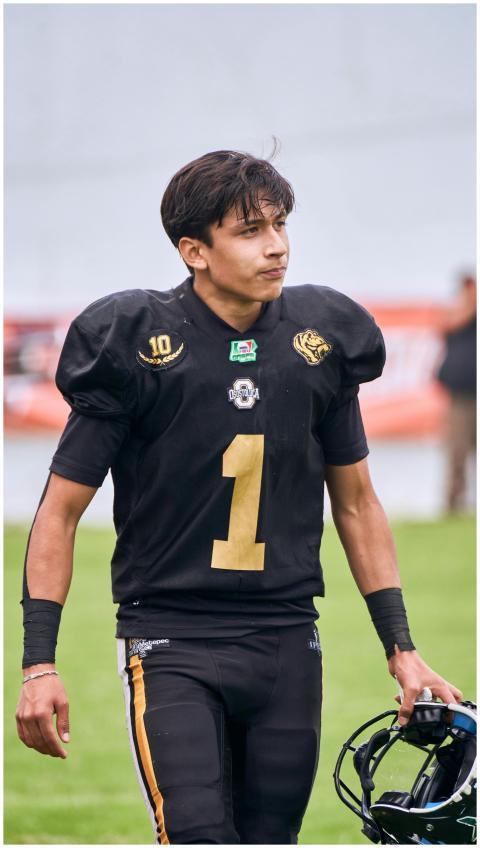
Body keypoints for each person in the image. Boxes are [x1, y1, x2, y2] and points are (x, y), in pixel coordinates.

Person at [16, 150, 463, 845]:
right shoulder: (137, 344)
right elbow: (60, 511)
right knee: (196, 836)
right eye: (250, 230)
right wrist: (39, 662)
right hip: (171, 641)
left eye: (280, 223)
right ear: (194, 250)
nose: (277, 244)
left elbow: (357, 504)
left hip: (287, 639)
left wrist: (401, 647)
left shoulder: (319, 342)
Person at [437, 273, 476, 513]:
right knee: (458, 452)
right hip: (460, 396)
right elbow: (449, 323)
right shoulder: (457, 313)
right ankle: (454, 505)